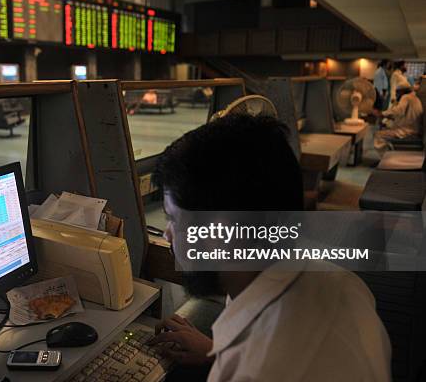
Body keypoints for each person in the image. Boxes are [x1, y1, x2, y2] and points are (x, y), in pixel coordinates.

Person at [149, 114, 391, 381]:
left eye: (174, 219)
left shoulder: (259, 370)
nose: (167, 234)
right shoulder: (343, 282)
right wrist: (217, 351)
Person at [374, 81, 423, 156]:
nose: (396, 95)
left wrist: (382, 114)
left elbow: (398, 111)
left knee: (378, 135)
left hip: (408, 131)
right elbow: (402, 114)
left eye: (397, 92)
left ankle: (386, 157)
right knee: (386, 128)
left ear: (402, 91)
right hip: (414, 130)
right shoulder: (414, 98)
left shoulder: (405, 97)